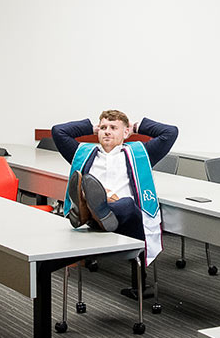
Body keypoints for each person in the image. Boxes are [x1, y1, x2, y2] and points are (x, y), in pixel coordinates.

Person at [52, 110, 178, 267]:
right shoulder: (83, 153)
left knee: (126, 204)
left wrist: (136, 127)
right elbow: (58, 131)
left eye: (113, 127)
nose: (107, 132)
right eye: (103, 128)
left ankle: (94, 209)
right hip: (94, 222)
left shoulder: (139, 153)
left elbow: (170, 132)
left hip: (128, 220)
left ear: (125, 132)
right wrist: (92, 127)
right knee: (111, 203)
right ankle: (98, 211)